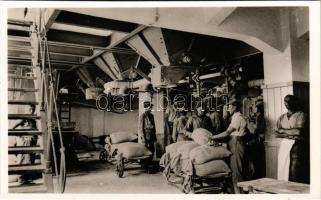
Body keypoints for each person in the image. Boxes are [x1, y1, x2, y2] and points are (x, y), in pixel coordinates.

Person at [211, 100, 248, 193]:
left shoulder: (237, 117)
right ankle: (239, 193)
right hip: (235, 143)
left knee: (236, 172)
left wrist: (212, 137)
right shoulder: (236, 117)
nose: (228, 109)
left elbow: (227, 132)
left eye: (230, 107)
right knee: (236, 170)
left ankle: (239, 194)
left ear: (235, 107)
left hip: (236, 144)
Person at [274, 95, 309, 183]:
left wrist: (282, 130)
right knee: (283, 169)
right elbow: (276, 134)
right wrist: (290, 135)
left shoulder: (301, 114)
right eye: (285, 101)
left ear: (294, 102)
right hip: (284, 146)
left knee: (294, 173)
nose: (287, 103)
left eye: (289, 101)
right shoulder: (282, 117)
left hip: (297, 147)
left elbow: (299, 132)